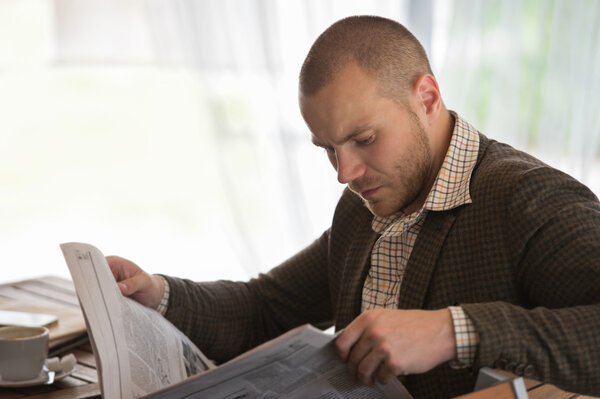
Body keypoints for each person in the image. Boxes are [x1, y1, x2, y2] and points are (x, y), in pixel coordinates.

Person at [107, 15, 600, 398]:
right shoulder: (364, 208)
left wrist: (453, 332)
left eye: (363, 139)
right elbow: (266, 309)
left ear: (427, 97)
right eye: (327, 148)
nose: (344, 173)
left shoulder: (529, 200)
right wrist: (160, 295)